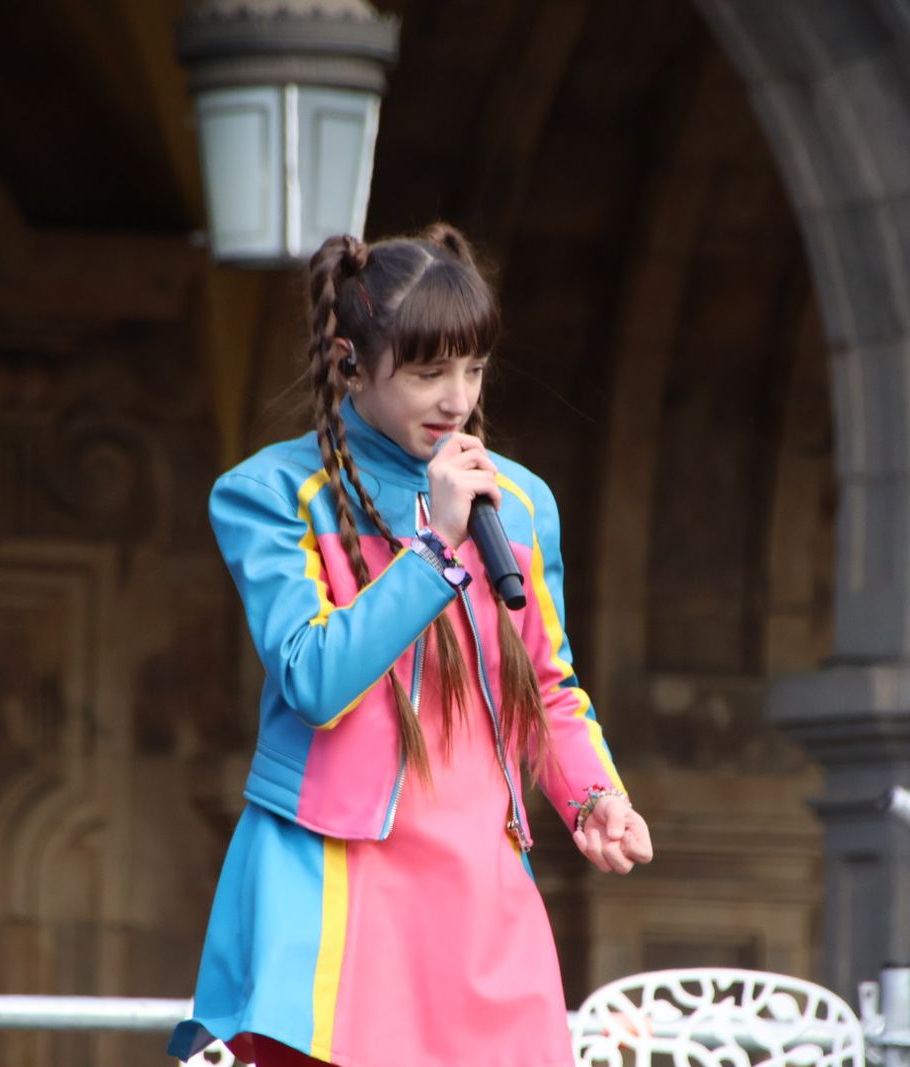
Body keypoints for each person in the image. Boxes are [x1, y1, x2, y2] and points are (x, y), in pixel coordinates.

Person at [168, 223, 653, 1067]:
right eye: (429, 371)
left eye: (472, 368)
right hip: (336, 875)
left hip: (479, 880)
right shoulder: (272, 494)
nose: (457, 398)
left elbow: (550, 684)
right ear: (351, 361)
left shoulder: (521, 504)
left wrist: (594, 798)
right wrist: (435, 550)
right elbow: (314, 677)